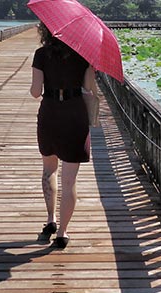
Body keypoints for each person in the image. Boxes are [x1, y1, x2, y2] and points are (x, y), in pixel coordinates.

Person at [30, 23, 98, 249]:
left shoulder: (41, 55)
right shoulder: (83, 56)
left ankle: (50, 219)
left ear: (46, 31)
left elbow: (35, 92)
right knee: (70, 181)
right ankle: (62, 232)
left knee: (49, 170)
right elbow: (88, 88)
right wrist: (90, 67)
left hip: (50, 112)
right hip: (74, 114)